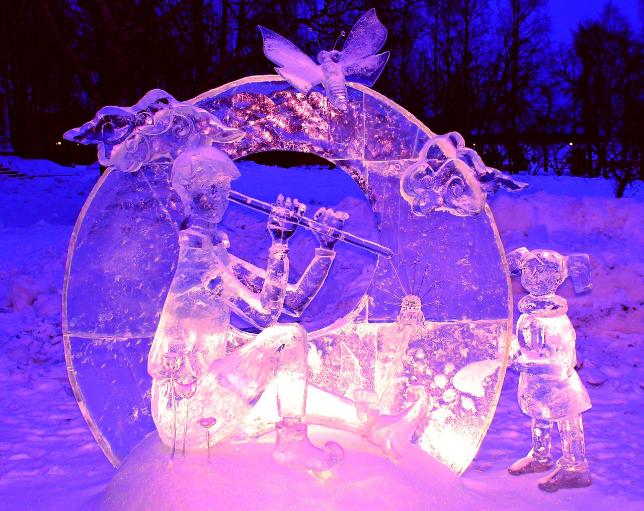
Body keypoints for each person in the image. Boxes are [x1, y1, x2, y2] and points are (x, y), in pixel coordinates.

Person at [148, 146, 348, 471]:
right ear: (190, 192)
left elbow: (292, 301)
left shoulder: (214, 252)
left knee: (300, 393)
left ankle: (377, 428)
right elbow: (268, 317)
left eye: (224, 187)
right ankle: (292, 445)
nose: (222, 196)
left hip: (213, 395)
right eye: (213, 187)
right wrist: (280, 243)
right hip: (188, 411)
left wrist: (323, 250)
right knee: (288, 338)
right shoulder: (195, 260)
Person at [507, 248, 592, 492]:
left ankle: (575, 467)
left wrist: (526, 364)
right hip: (538, 385)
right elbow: (525, 344)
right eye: (529, 272)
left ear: (556, 278)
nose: (534, 277)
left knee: (567, 422)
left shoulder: (556, 321)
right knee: (540, 416)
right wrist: (512, 348)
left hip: (561, 387)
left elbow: (561, 363)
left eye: (541, 274)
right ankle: (541, 455)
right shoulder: (528, 316)